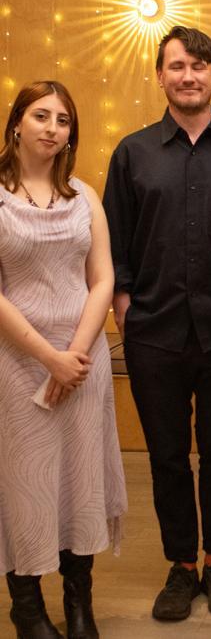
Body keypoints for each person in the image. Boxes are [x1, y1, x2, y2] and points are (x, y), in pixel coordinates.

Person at [102, 26, 211, 621]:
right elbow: (113, 237)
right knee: (168, 457)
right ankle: (180, 565)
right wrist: (123, 304)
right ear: (160, 76)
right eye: (177, 66)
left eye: (200, 66)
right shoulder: (132, 152)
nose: (189, 76)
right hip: (153, 332)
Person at [0, 80, 127, 639]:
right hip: (16, 359)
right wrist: (48, 357)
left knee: (80, 477)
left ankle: (80, 606)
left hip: (83, 360)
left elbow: (102, 279)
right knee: (20, 481)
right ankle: (27, 610)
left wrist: (74, 356)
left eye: (64, 119)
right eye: (41, 116)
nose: (53, 128)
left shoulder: (84, 195)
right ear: (16, 125)